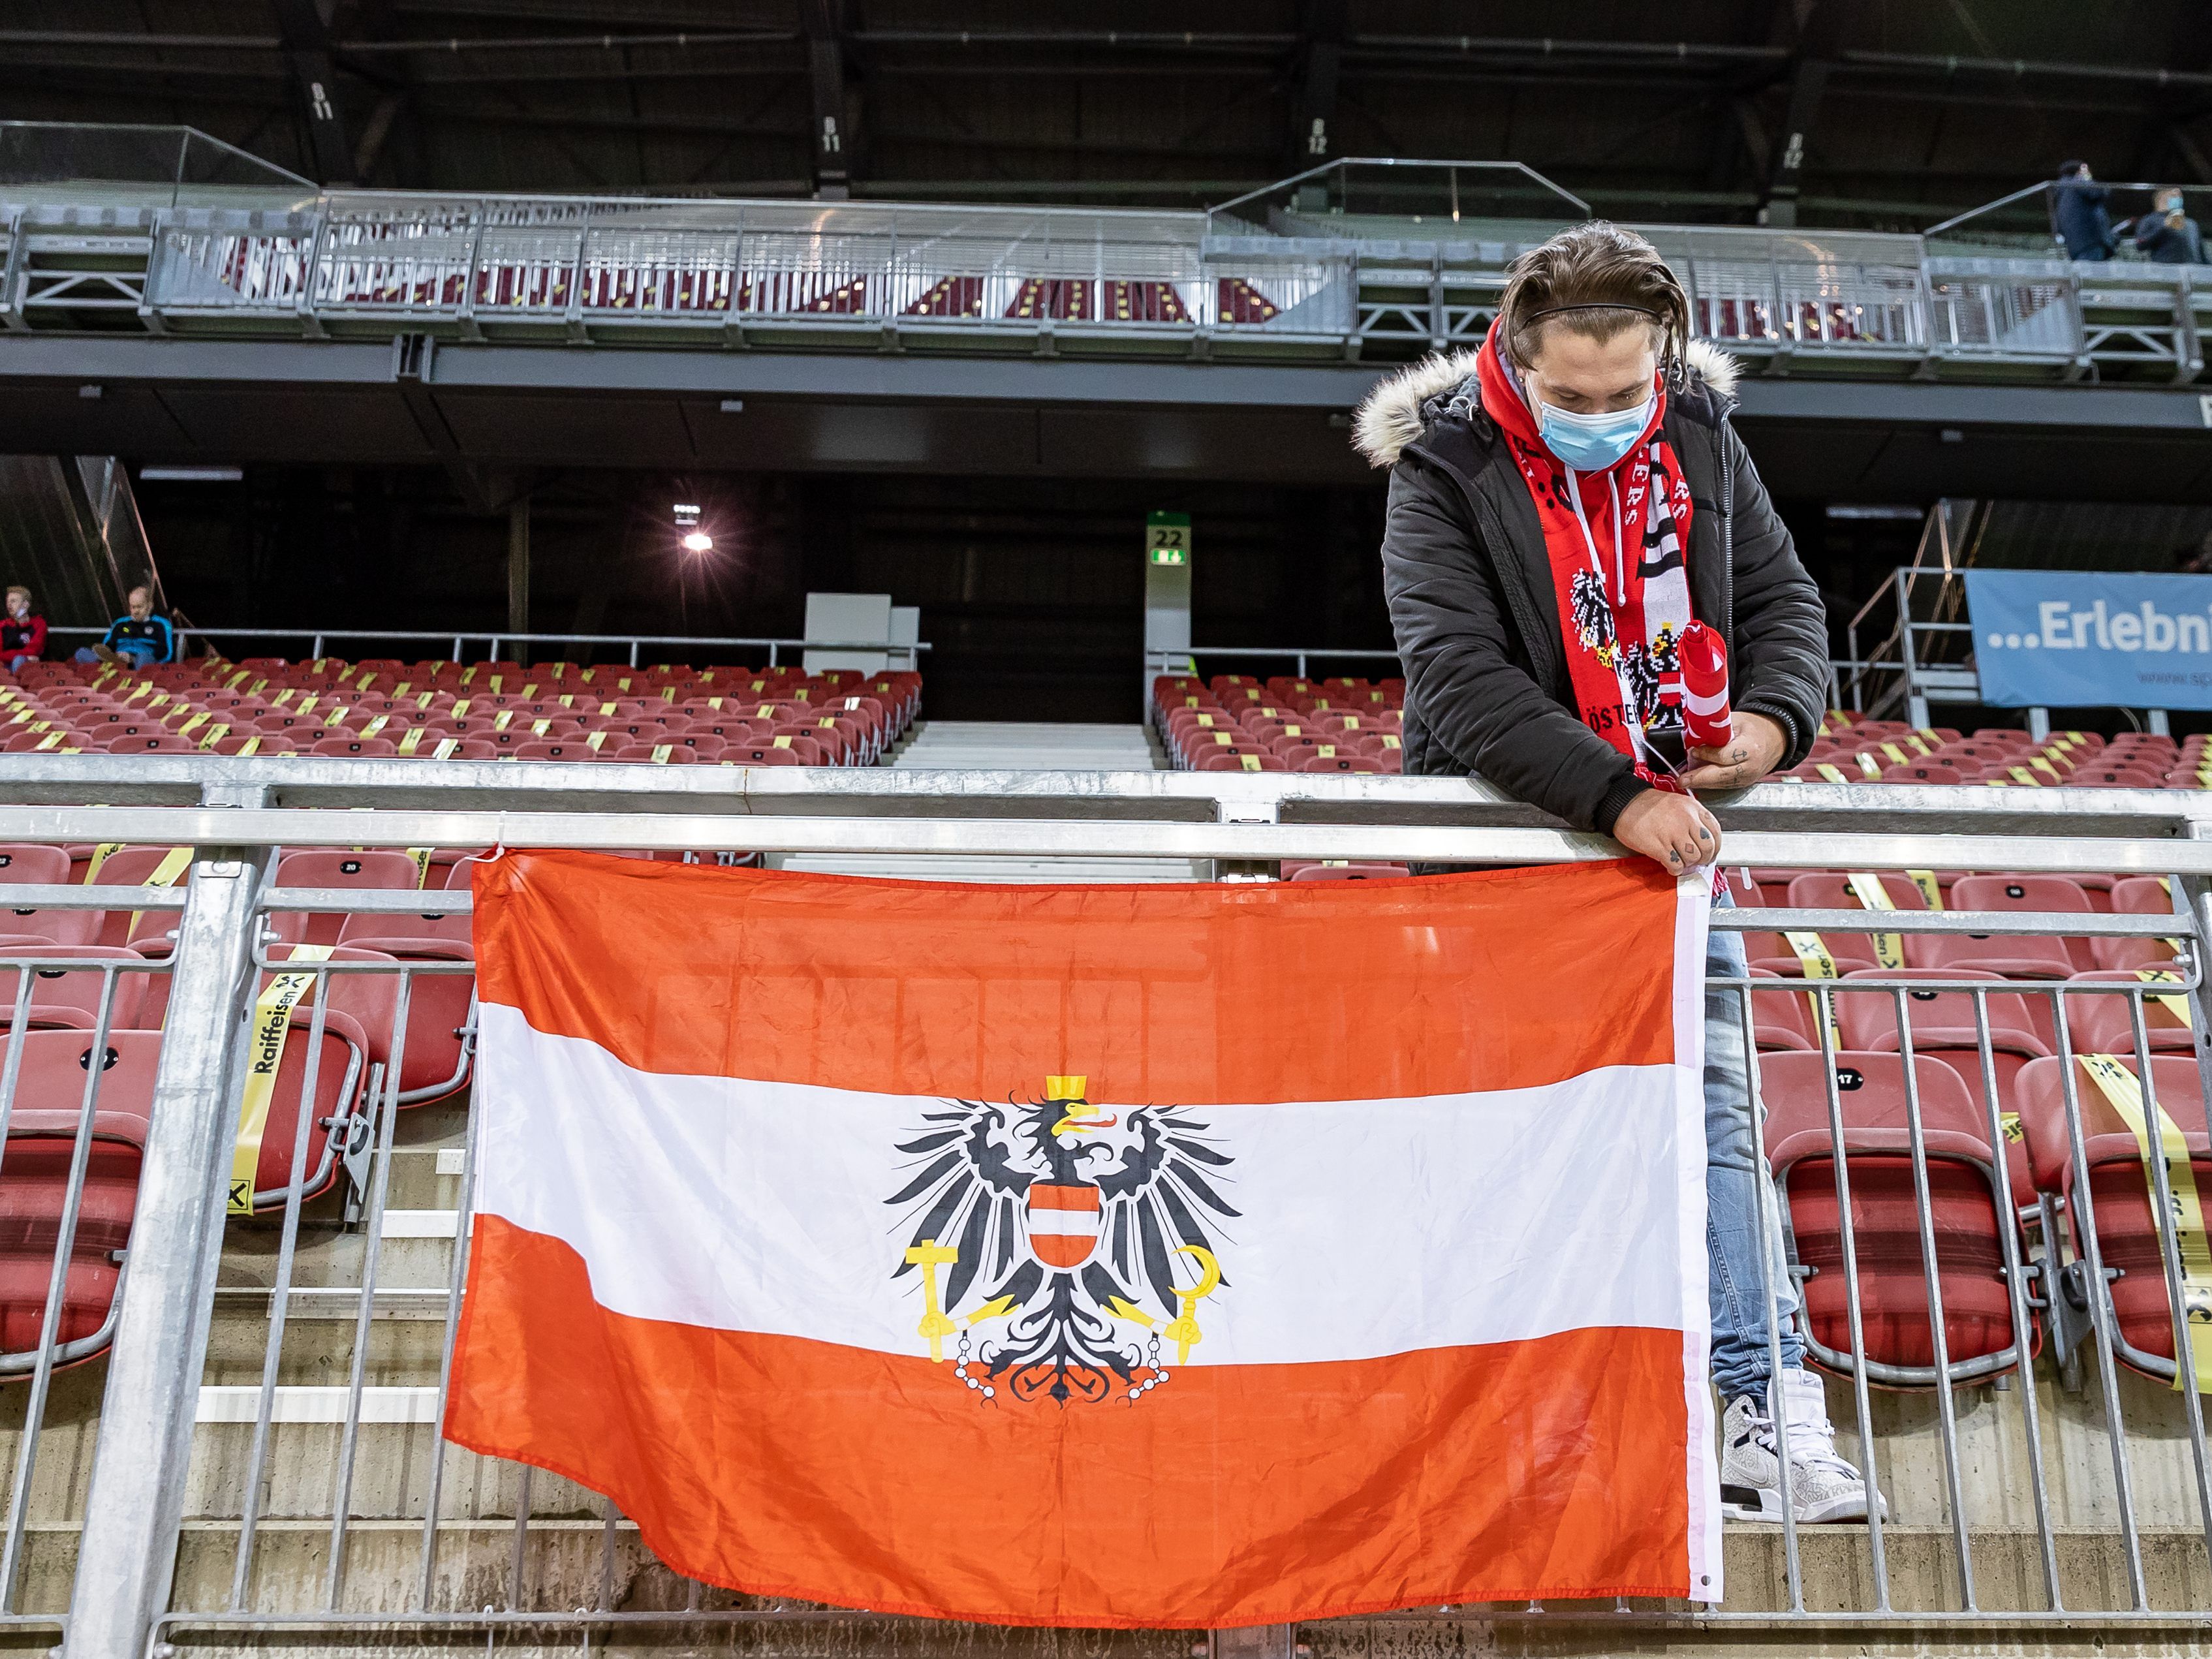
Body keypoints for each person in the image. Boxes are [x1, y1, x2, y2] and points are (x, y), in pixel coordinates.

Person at [1355, 220, 1881, 1525]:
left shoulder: (1701, 437)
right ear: (1515, 360)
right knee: (1510, 1135)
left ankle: (1761, 1412)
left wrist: (1770, 722)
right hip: (1500, 852)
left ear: (1659, 360)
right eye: (1569, 397)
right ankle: (1513, 1429)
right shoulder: (1442, 466)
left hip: (1668, 855)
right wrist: (1611, 796)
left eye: (1622, 392)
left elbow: (1783, 609)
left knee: (1709, 1127)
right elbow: (1456, 677)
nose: (1600, 415)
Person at [74, 586, 175, 668]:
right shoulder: (120, 623)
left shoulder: (161, 624)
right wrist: (115, 655)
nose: (135, 611)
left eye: (139, 607)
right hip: (116, 660)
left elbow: (166, 653)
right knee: (81, 653)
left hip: (142, 662)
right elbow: (107, 647)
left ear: (150, 606)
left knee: (144, 658)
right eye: (132, 607)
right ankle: (108, 670)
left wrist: (133, 658)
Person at [2053, 161, 2117, 261]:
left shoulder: (2062, 194)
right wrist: (2086, 177)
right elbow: (2097, 192)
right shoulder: (2078, 183)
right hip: (2091, 241)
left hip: (2075, 246)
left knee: (2085, 274)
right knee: (2094, 274)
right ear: (2079, 172)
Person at [2134, 184, 2205, 266]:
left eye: (2180, 196)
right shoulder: (2150, 220)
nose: (2178, 198)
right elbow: (2140, 244)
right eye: (2173, 195)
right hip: (2166, 272)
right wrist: (2164, 226)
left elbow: (2202, 255)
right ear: (2161, 198)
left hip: (2193, 272)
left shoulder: (2192, 224)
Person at [1, 587, 46, 673]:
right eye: (8, 601)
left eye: (13, 601)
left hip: (29, 667)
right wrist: (24, 655)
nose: (9, 605)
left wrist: (14, 656)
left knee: (19, 660)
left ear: (25, 604)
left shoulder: (39, 624)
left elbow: (34, 650)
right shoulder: (2, 626)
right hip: (4, 667)